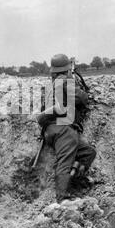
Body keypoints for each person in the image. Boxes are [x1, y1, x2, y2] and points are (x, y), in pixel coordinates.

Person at [37, 54, 96, 203]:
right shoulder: (64, 81)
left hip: (52, 129)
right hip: (63, 128)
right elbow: (82, 98)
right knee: (65, 162)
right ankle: (62, 198)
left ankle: (74, 180)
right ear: (66, 70)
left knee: (88, 152)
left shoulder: (52, 85)